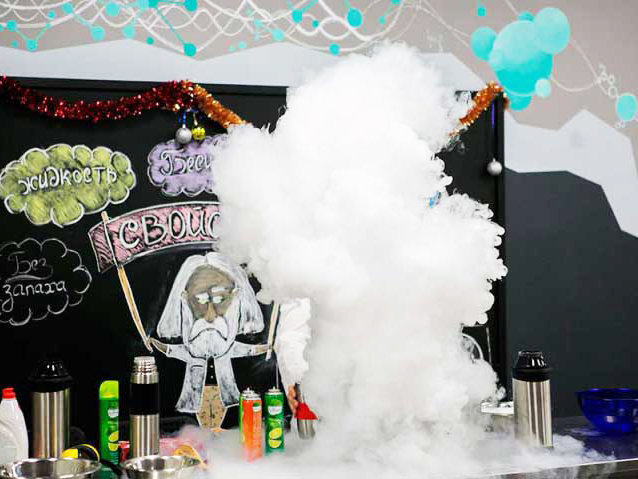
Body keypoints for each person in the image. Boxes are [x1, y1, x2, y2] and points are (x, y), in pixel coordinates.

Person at [152, 252, 268, 430]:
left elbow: (249, 350)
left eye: (221, 300)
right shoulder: (189, 351)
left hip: (225, 396)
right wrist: (152, 343)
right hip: (195, 397)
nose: (210, 315)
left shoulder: (231, 348)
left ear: (237, 298)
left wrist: (270, 347)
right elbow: (170, 350)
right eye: (199, 301)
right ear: (184, 300)